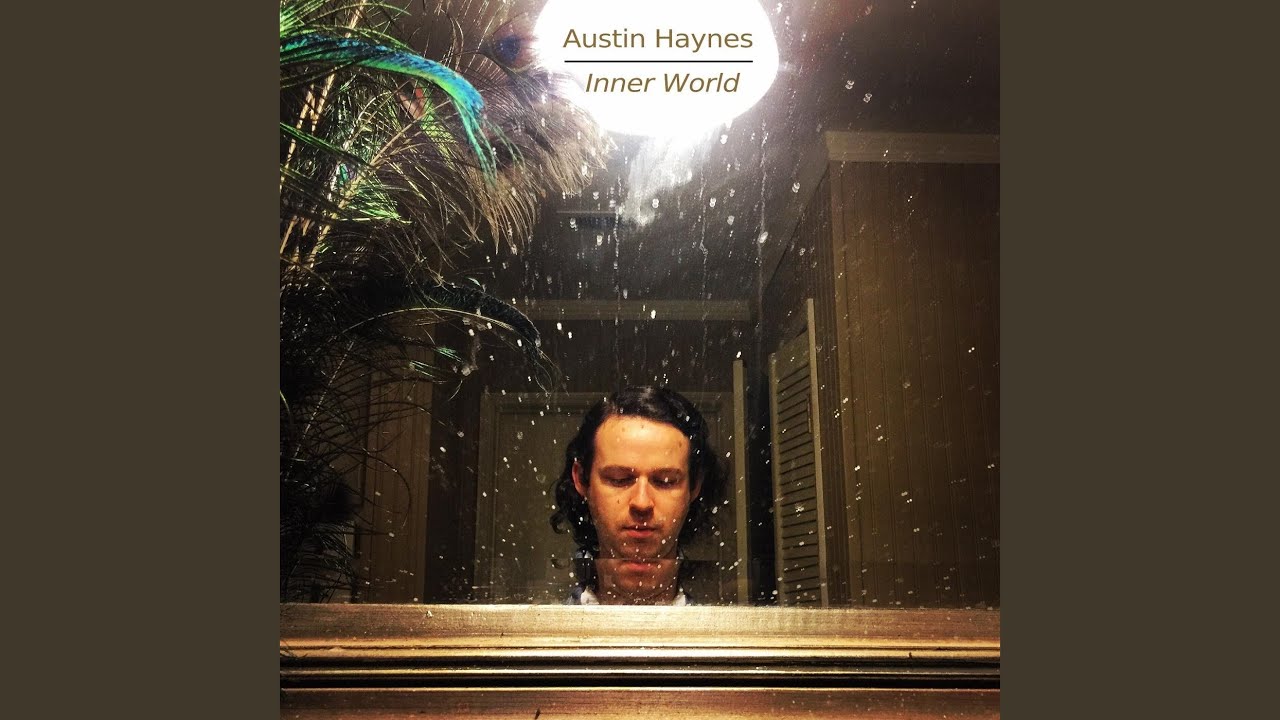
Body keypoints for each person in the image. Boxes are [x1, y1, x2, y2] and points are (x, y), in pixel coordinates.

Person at [550, 386, 723, 605]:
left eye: (665, 481)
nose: (642, 502)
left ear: (695, 486)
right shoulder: (540, 626)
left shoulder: (722, 628)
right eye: (619, 479)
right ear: (581, 480)